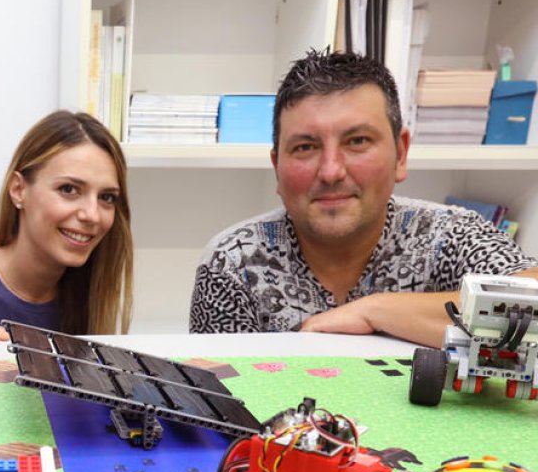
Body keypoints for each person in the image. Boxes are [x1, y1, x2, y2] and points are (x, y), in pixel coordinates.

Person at [190, 49, 538, 347]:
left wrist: (376, 311)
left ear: (401, 154)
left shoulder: (449, 236)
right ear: (276, 165)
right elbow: (215, 407)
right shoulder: (235, 263)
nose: (331, 171)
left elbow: (530, 302)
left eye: (357, 141)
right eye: (305, 147)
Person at [0, 110, 133, 342]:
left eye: (107, 197)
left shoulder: (90, 290)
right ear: (19, 190)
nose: (92, 215)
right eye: (68, 189)